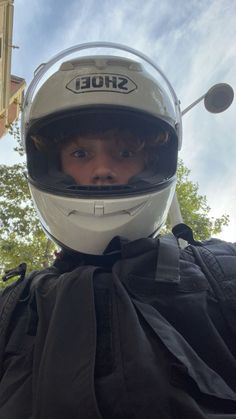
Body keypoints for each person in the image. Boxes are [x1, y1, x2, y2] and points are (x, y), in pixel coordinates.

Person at [0, 46, 236, 419]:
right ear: (52, 165)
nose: (102, 170)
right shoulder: (13, 309)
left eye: (124, 153)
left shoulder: (222, 274)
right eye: (80, 154)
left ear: (151, 163)